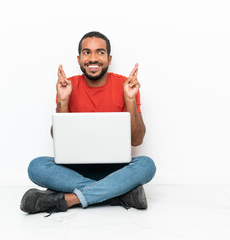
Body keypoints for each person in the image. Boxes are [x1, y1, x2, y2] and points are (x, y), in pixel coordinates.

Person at [20, 31, 156, 216]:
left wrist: (130, 100)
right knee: (36, 167)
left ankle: (68, 200)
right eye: (87, 52)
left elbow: (137, 140)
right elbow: (58, 138)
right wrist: (63, 100)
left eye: (100, 52)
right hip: (74, 171)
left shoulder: (126, 85)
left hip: (115, 170)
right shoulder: (68, 85)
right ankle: (118, 194)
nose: (93, 58)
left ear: (109, 58)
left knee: (146, 165)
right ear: (79, 58)